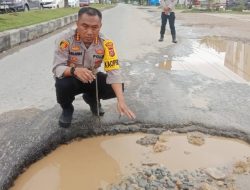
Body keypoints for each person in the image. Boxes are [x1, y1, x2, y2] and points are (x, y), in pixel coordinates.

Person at [52, 7, 136, 128]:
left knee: (118, 87)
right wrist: (74, 70)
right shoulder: (64, 40)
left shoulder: (106, 43)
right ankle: (67, 109)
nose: (90, 32)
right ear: (77, 24)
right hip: (71, 78)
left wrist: (121, 101)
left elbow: (114, 72)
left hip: (92, 78)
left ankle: (92, 100)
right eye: (85, 26)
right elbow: (57, 68)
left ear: (100, 26)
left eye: (94, 27)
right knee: (62, 84)